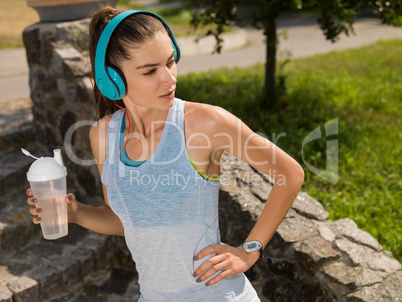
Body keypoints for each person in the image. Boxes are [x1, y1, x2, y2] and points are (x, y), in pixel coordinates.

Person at [26, 6, 304, 301]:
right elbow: (125, 221)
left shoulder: (205, 123)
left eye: (171, 62)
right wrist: (76, 213)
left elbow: (289, 173)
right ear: (112, 80)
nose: (169, 78)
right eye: (150, 71)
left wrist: (250, 250)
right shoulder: (103, 135)